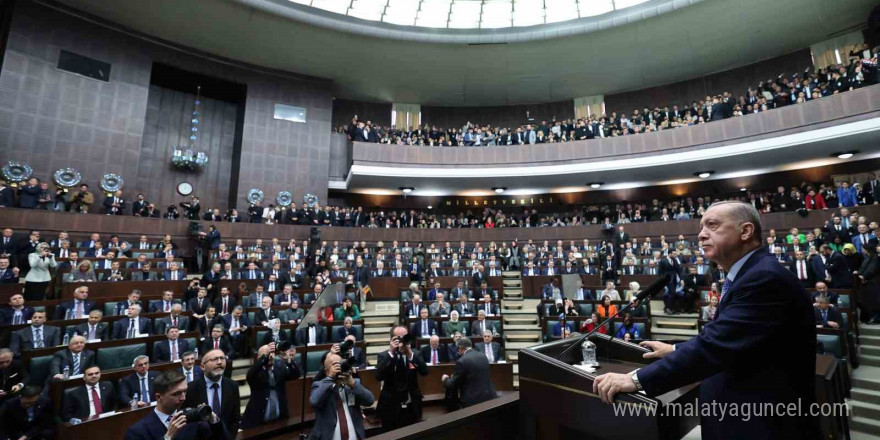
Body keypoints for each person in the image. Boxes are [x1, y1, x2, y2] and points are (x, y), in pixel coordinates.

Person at [593, 201, 816, 440]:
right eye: (701, 227)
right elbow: (731, 336)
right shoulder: (750, 273)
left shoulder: (764, 278)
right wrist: (675, 349)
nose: (701, 234)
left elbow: (717, 346)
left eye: (712, 225)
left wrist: (635, 379)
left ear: (746, 231)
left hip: (762, 424)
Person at [125, 370, 227, 440]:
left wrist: (214, 421)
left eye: (185, 392)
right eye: (176, 394)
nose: (183, 398)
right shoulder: (137, 431)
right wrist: (168, 438)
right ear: (158, 397)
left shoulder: (192, 421)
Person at [309, 350, 374, 440]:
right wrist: (330, 378)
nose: (339, 367)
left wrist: (354, 385)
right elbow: (314, 401)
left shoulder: (352, 384)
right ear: (327, 370)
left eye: (341, 364)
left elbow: (370, 400)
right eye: (335, 365)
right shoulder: (319, 385)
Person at [375, 325, 428, 431]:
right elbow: (378, 376)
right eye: (398, 338)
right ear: (391, 340)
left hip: (411, 406)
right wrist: (391, 352)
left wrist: (409, 354)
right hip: (390, 408)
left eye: (405, 337)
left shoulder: (415, 354)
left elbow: (425, 372)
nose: (402, 340)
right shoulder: (384, 356)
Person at [183, 349, 241, 439]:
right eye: (214, 359)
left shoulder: (232, 385)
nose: (219, 362)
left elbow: (235, 417)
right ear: (202, 367)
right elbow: (187, 419)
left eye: (222, 358)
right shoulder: (190, 388)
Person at [241, 343, 301, 429]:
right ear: (259, 358)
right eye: (267, 354)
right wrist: (265, 357)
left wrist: (289, 360)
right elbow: (251, 374)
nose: (270, 356)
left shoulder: (280, 367)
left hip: (280, 418)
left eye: (271, 353)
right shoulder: (256, 372)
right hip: (259, 419)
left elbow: (296, 375)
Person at [441, 337, 497, 408]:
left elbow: (452, 384)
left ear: (460, 348)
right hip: (489, 397)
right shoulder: (483, 356)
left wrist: (445, 378)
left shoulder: (462, 361)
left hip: (473, 402)